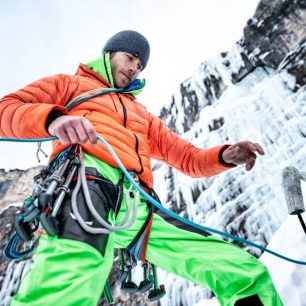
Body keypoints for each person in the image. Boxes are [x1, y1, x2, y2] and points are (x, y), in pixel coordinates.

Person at [0, 30, 282, 306]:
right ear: (109, 53)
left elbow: (187, 157)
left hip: (140, 203)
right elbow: (6, 109)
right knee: (70, 275)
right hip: (86, 182)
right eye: (131, 57)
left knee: (237, 268)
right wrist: (52, 118)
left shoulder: (142, 116)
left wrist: (224, 155)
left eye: (141, 64)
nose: (135, 68)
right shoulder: (70, 85)